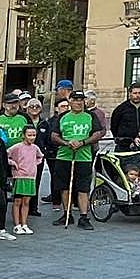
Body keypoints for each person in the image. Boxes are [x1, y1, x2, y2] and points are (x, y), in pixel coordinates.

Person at [52, 90, 104, 230]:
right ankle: (67, 214)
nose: (78, 102)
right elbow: (54, 135)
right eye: (75, 99)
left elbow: (98, 133)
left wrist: (83, 142)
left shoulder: (90, 116)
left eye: (81, 100)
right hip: (64, 156)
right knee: (64, 186)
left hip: (84, 157)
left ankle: (84, 216)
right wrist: (66, 143)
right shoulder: (63, 116)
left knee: (83, 188)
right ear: (70, 101)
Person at [7, 126, 44, 235]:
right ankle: (17, 225)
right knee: (17, 201)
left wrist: (34, 165)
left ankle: (24, 224)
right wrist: (13, 163)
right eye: (29, 135)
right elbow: (6, 155)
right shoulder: (17, 147)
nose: (32, 137)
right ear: (23, 135)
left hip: (31, 177)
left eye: (34, 135)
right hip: (19, 176)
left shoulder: (35, 148)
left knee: (26, 201)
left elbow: (40, 157)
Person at [110, 83, 140, 151]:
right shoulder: (121, 109)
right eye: (135, 93)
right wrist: (122, 139)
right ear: (130, 93)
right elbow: (114, 126)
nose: (137, 95)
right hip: (124, 145)